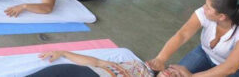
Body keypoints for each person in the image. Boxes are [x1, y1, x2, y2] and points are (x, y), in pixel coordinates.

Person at [147, 0, 239, 76]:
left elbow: (231, 67)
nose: (203, 7)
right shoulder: (204, 13)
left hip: (236, 70)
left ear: (222, 16)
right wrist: (161, 59)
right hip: (205, 53)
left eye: (208, 7)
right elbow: (182, 35)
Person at [28, 50, 192, 77]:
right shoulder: (138, 66)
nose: (173, 73)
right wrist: (64, 53)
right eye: (175, 70)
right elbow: (98, 62)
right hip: (85, 72)